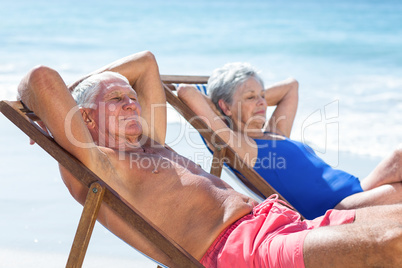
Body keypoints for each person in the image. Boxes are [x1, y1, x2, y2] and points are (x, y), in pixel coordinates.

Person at [17, 51, 402, 267]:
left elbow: (146, 63)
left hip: (284, 223)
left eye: (130, 95)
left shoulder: (152, 144)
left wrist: (96, 92)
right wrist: (60, 111)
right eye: (117, 100)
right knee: (393, 241)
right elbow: (38, 78)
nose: (131, 100)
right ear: (83, 119)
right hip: (245, 252)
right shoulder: (98, 165)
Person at [177, 62, 402, 220]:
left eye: (263, 96)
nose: (262, 103)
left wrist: (248, 95)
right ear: (224, 106)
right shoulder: (244, 148)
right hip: (335, 209)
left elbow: (291, 86)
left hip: (360, 191)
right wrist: (223, 107)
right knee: (399, 157)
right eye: (251, 97)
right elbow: (186, 92)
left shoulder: (274, 133)